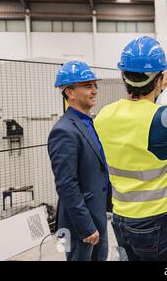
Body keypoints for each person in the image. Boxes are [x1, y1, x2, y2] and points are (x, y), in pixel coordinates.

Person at [94, 36, 167, 261]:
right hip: (159, 221)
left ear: (122, 76)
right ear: (157, 80)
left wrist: (157, 89)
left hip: (121, 218)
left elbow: (138, 115)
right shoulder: (164, 117)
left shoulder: (104, 114)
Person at [48, 61, 109, 261]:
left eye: (94, 85)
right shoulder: (63, 131)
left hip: (96, 216)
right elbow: (66, 184)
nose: (94, 91)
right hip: (80, 225)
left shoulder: (87, 123)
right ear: (70, 93)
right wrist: (86, 226)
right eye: (87, 86)